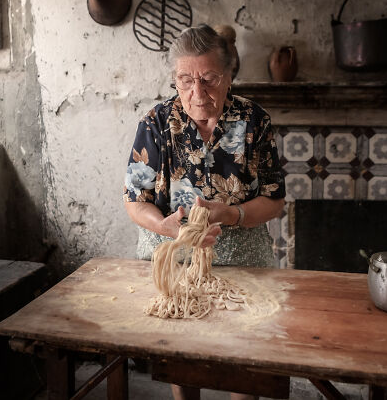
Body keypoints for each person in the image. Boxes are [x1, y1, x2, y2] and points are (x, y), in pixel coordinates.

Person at [122, 24, 286, 400]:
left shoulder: (254, 121)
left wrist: (230, 215)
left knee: (244, 356)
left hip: (242, 251)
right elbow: (135, 198)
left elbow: (274, 199)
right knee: (183, 351)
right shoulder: (156, 123)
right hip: (173, 249)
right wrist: (165, 228)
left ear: (229, 76)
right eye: (185, 80)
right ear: (175, 79)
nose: (197, 93)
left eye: (210, 79)